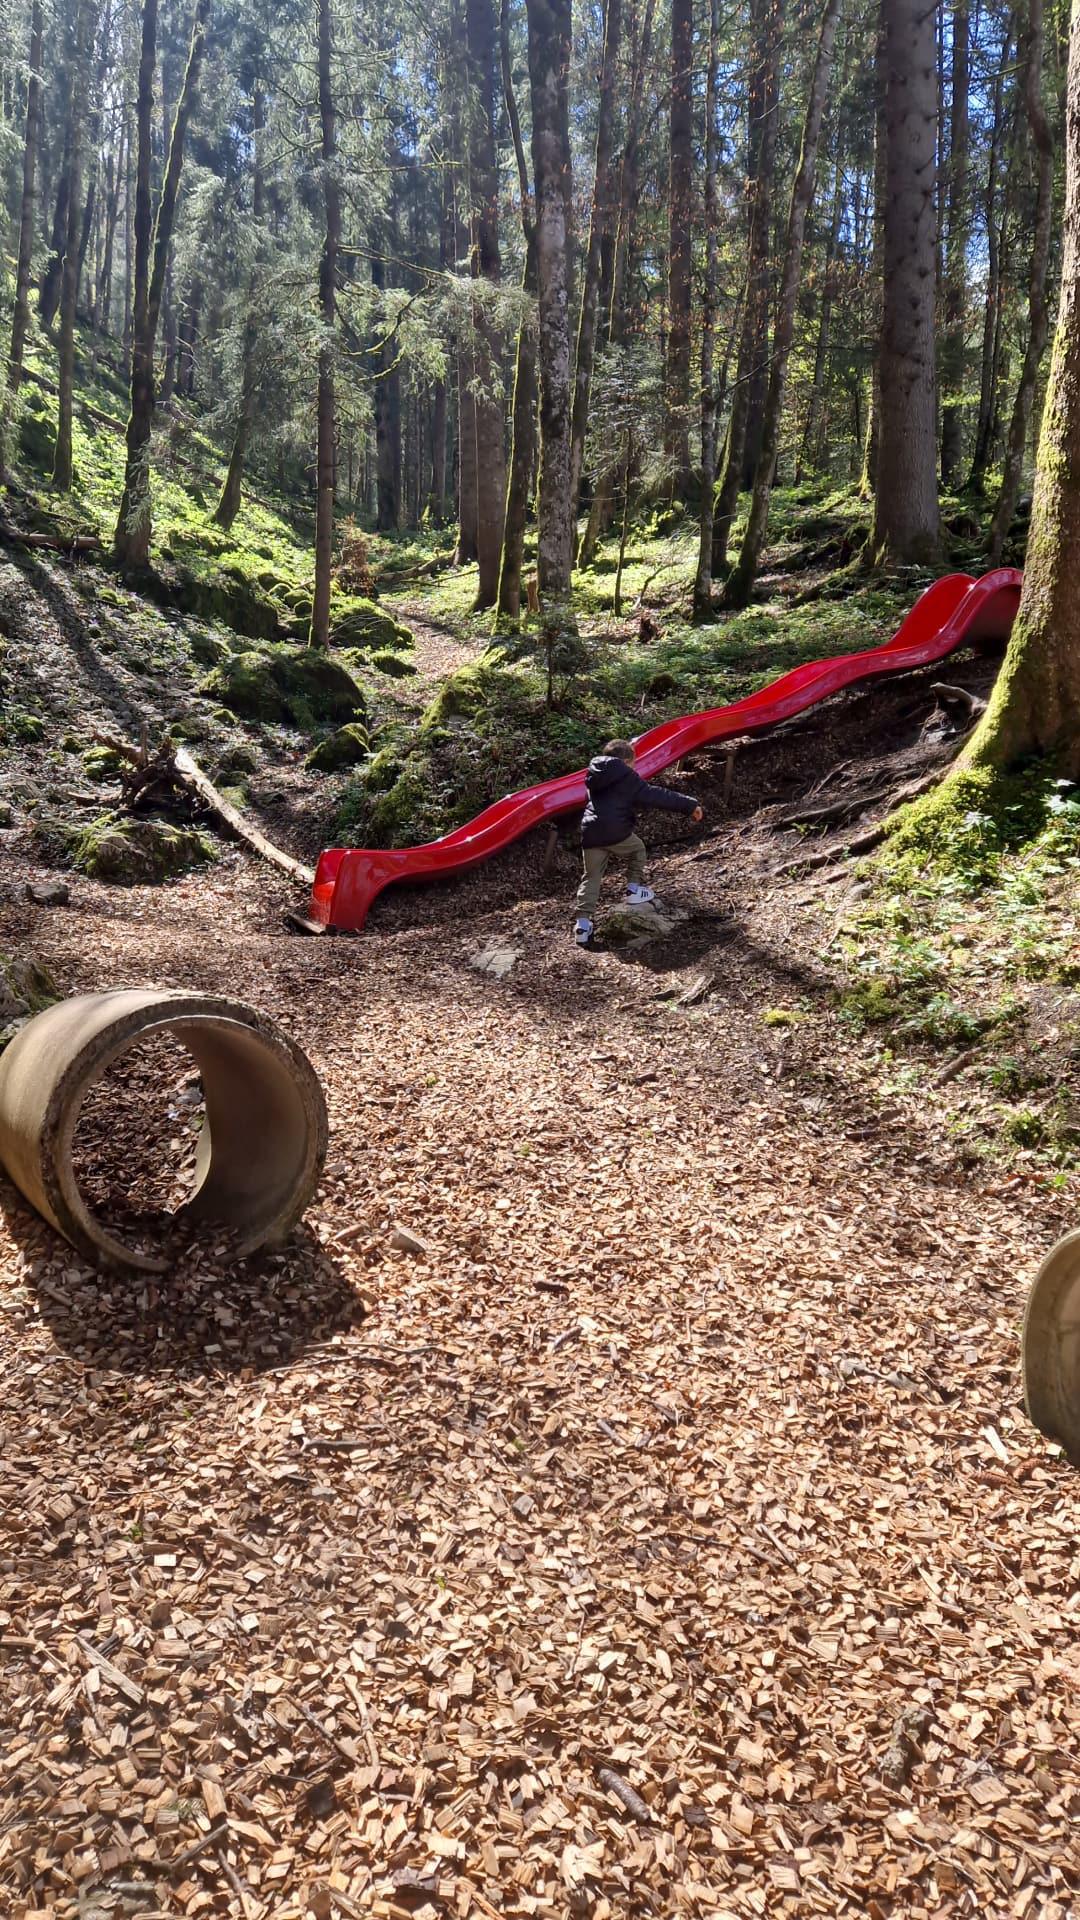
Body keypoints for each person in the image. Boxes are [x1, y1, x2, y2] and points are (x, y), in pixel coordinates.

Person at [574, 739, 703, 946]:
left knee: (591, 876)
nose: (634, 767)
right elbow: (655, 795)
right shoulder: (626, 776)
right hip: (615, 829)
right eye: (633, 763)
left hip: (590, 831)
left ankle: (582, 925)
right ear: (626, 762)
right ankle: (633, 890)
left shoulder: (594, 774)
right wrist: (689, 805)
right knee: (637, 850)